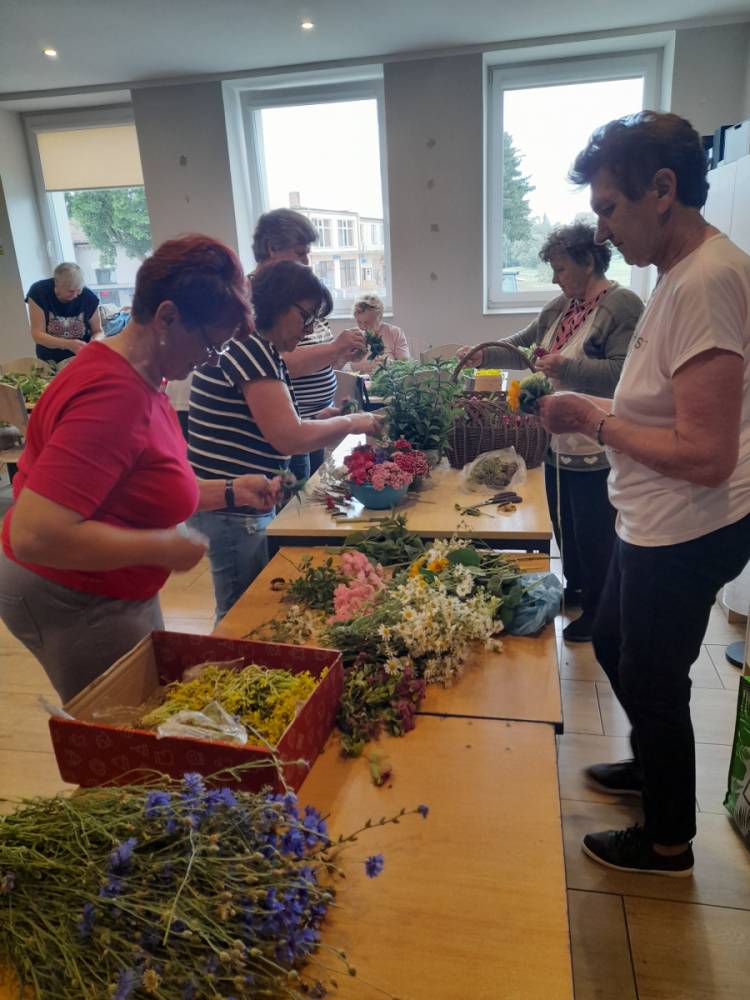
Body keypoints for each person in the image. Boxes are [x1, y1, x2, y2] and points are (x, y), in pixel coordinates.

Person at [538, 111, 750, 877]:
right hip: (652, 516)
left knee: (655, 680)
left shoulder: (708, 281)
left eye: (608, 208)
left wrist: (593, 421)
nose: (601, 229)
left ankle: (667, 841)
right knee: (616, 642)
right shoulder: (676, 274)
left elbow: (705, 455)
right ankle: (652, 766)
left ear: (662, 189)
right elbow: (662, 407)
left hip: (685, 524)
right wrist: (598, 411)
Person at [0, 235, 281, 702]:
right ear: (167, 316)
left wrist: (230, 491)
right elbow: (35, 534)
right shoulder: (113, 395)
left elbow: (140, 484)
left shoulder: (144, 375)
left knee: (155, 707)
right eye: (210, 345)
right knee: (130, 730)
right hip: (74, 593)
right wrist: (161, 547)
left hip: (109, 586)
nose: (209, 360)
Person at [460, 224, 643, 641]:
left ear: (588, 262)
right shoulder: (562, 306)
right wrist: (482, 354)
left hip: (598, 445)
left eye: (561, 269)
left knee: (595, 534)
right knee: (566, 527)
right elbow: (523, 346)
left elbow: (624, 374)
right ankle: (577, 591)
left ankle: (600, 613)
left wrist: (566, 367)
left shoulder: (622, 305)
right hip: (559, 440)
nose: (555, 278)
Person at [188, 260, 382, 622]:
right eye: (306, 316)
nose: (309, 329)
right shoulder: (251, 348)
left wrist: (323, 419)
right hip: (232, 508)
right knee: (240, 615)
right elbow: (288, 438)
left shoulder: (259, 348)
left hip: (238, 500)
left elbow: (269, 424)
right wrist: (353, 422)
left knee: (245, 608)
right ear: (277, 303)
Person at [251, 208, 367, 478]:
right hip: (287, 434)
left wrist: (343, 354)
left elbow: (320, 360)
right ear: (271, 249)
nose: (306, 262)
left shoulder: (297, 299)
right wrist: (350, 422)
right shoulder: (253, 302)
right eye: (300, 252)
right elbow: (276, 364)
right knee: (294, 498)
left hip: (309, 422)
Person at [26, 262, 104, 364]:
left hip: (82, 358)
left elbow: (98, 331)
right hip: (50, 359)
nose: (75, 295)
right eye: (71, 291)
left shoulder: (89, 297)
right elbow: (37, 334)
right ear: (57, 284)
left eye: (78, 290)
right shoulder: (39, 292)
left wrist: (95, 342)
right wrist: (67, 344)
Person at [343, 293, 411, 374]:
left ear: (379, 317)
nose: (363, 327)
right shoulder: (352, 336)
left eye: (368, 323)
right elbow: (342, 366)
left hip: (387, 379)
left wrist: (390, 364)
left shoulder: (395, 333)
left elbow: (406, 366)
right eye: (359, 322)